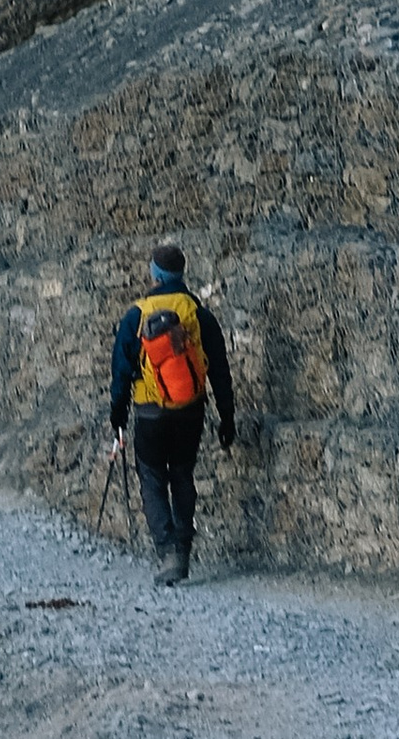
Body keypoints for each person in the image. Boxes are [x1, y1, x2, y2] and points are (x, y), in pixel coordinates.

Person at [108, 241, 237, 586]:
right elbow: (219, 369)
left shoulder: (136, 314)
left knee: (152, 479)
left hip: (149, 413)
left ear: (154, 274)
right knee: (182, 476)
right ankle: (183, 548)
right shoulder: (198, 312)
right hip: (190, 411)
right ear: (181, 274)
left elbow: (120, 371)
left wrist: (117, 415)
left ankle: (167, 553)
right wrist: (227, 417)